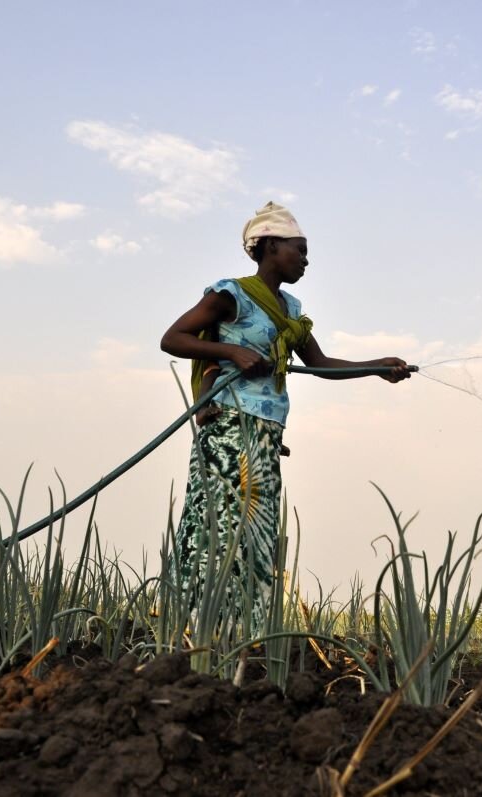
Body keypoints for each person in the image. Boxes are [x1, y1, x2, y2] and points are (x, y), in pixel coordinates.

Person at [160, 201, 411, 631]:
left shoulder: (291, 310)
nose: (306, 260)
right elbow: (173, 339)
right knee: (220, 527)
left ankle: (246, 633)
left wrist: (377, 366)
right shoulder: (230, 295)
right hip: (227, 429)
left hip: (265, 433)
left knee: (258, 533)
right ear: (271, 246)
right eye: (300, 249)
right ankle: (198, 626)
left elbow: (321, 363)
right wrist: (231, 351)